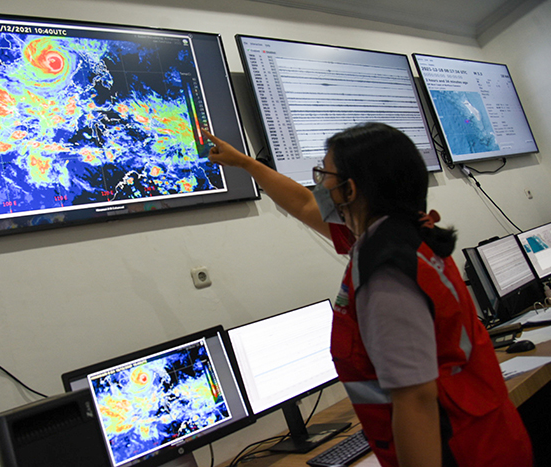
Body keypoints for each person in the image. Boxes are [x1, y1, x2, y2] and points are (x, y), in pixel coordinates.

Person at [202, 123, 533, 467]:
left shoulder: (386, 271)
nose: (319, 185)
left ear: (350, 189)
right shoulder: (399, 230)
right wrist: (246, 164)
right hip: (485, 439)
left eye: (324, 174)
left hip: (460, 452)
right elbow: (302, 205)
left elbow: (415, 399)